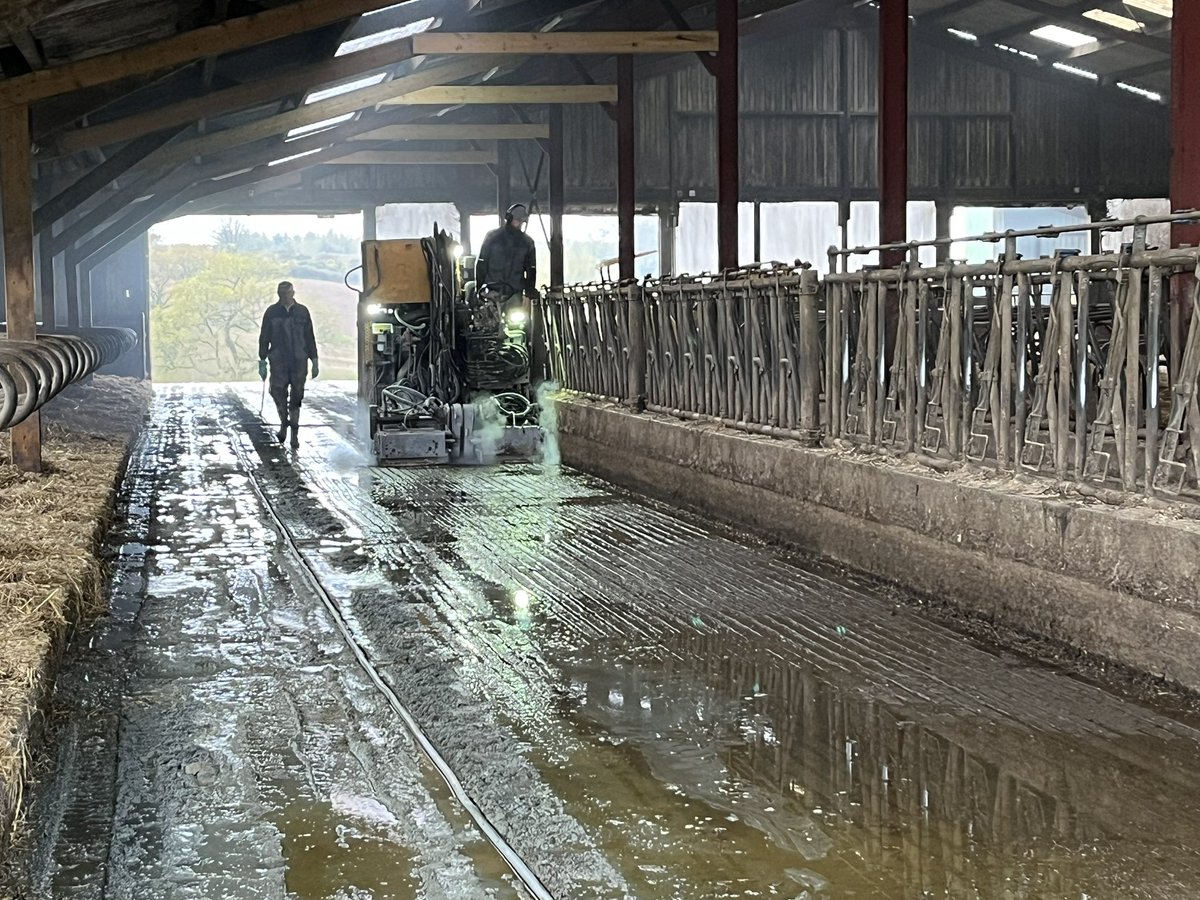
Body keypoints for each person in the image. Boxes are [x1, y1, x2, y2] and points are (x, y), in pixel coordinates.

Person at [257, 281, 318, 448]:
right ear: (278, 294)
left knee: (297, 396)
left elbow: (309, 337)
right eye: (282, 293)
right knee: (278, 393)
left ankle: (294, 435)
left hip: (299, 360)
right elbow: (264, 337)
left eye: (288, 292)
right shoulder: (271, 313)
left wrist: (314, 360)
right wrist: (262, 360)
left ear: (293, 293)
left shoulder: (302, 312)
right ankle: (284, 423)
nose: (285, 296)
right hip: (278, 361)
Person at [475, 203, 540, 311]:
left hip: (514, 293)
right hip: (491, 292)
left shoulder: (527, 243)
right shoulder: (492, 237)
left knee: (521, 324)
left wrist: (529, 294)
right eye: (517, 220)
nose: (519, 224)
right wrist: (479, 289)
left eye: (521, 221)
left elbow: (531, 270)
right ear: (509, 219)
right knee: (487, 323)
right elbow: (482, 264)